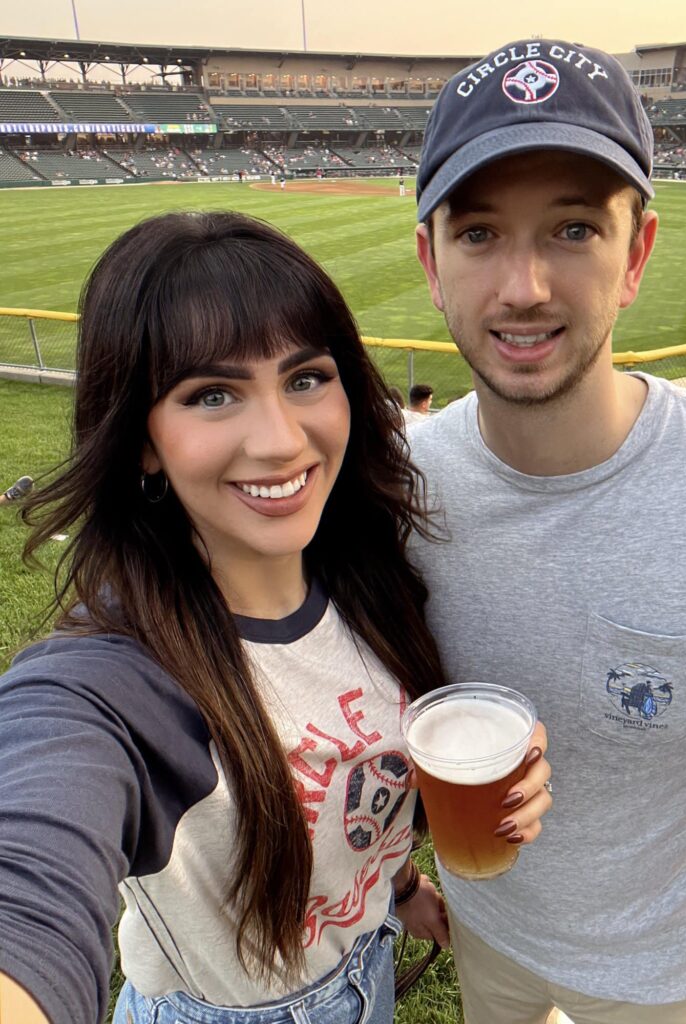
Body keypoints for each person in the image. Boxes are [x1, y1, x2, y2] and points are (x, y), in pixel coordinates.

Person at [0, 211, 551, 1024]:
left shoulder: (371, 577)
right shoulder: (113, 683)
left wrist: (396, 887)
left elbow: (344, 789)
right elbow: (31, 885)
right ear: (143, 439)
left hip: (366, 973)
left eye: (304, 378)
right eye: (212, 394)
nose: (281, 439)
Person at [408, 37, 686, 1024]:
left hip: (665, 978)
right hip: (484, 935)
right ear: (430, 259)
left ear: (636, 254)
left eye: (574, 229)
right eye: (479, 235)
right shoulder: (397, 483)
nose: (524, 287)